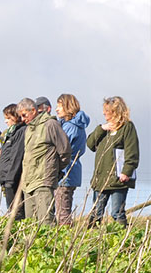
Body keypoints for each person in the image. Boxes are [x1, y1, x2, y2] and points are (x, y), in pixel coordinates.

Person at [86, 96, 139, 229]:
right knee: (96, 213)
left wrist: (126, 172)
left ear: (115, 111)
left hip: (118, 179)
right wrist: (101, 129)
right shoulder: (104, 129)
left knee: (117, 213)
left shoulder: (127, 127)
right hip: (101, 179)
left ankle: (121, 239)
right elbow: (90, 144)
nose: (105, 115)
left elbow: (132, 151)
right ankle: (90, 238)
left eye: (107, 112)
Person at [21, 97, 63, 224]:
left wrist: (53, 169)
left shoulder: (50, 124)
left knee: (46, 222)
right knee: (30, 223)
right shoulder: (29, 129)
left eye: (24, 115)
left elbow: (64, 150)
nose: (22, 119)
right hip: (28, 182)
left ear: (33, 110)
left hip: (44, 180)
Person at [55, 94, 89, 225]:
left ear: (68, 107)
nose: (57, 109)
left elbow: (62, 148)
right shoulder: (70, 125)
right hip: (70, 170)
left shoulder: (71, 127)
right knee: (62, 208)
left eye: (60, 106)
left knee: (62, 212)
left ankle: (65, 239)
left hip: (66, 172)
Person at [0, 102, 29, 217]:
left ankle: (17, 233)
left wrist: (10, 179)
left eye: (8, 118)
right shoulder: (11, 133)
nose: (6, 121)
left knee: (17, 212)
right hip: (7, 177)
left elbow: (17, 155)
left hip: (13, 178)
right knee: (12, 211)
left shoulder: (21, 131)